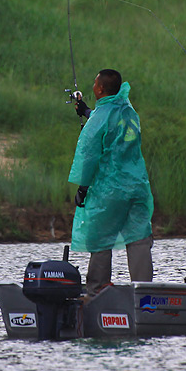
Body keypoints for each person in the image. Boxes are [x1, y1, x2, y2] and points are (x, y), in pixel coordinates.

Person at [69, 69, 154, 296]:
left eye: (95, 82)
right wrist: (86, 110)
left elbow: (89, 157)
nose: (94, 85)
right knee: (138, 238)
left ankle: (96, 293)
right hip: (136, 188)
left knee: (99, 238)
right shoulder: (128, 110)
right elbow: (109, 122)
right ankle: (144, 293)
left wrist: (83, 188)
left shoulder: (100, 116)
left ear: (100, 89)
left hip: (109, 190)